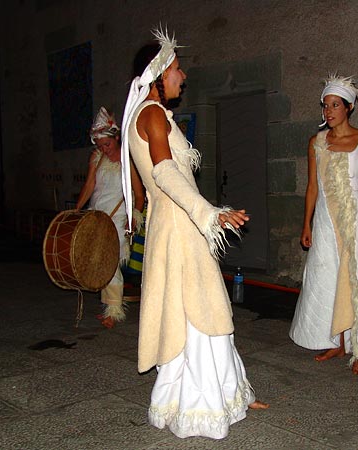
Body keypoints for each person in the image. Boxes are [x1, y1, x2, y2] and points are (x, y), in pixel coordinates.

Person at [120, 27, 268, 440]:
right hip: (179, 224)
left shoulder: (152, 115)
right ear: (160, 73)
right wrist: (209, 213)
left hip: (178, 222)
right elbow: (165, 172)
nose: (182, 78)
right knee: (200, 309)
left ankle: (228, 392)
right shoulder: (149, 114)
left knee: (199, 307)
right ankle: (203, 405)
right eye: (178, 70)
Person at [289, 74, 358, 376]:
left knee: (356, 279)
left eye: (335, 105)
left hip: (357, 219)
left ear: (349, 107)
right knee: (328, 277)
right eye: (325, 105)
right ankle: (337, 340)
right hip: (326, 220)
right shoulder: (317, 143)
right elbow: (312, 187)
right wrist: (307, 224)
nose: (328, 111)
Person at [75, 107, 145, 329]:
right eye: (100, 145)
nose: (104, 149)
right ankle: (108, 304)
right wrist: (76, 210)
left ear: (116, 138)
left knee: (111, 263)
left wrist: (134, 217)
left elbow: (139, 194)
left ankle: (114, 311)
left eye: (107, 144)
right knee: (98, 262)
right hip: (97, 216)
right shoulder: (97, 158)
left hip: (118, 219)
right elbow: (89, 186)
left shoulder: (128, 160)